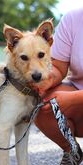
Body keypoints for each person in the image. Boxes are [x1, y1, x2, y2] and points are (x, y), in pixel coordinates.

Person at [34, 7, 83, 165]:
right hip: (78, 88)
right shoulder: (74, 19)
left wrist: (74, 99)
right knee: (41, 102)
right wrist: (45, 81)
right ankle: (72, 151)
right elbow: (58, 67)